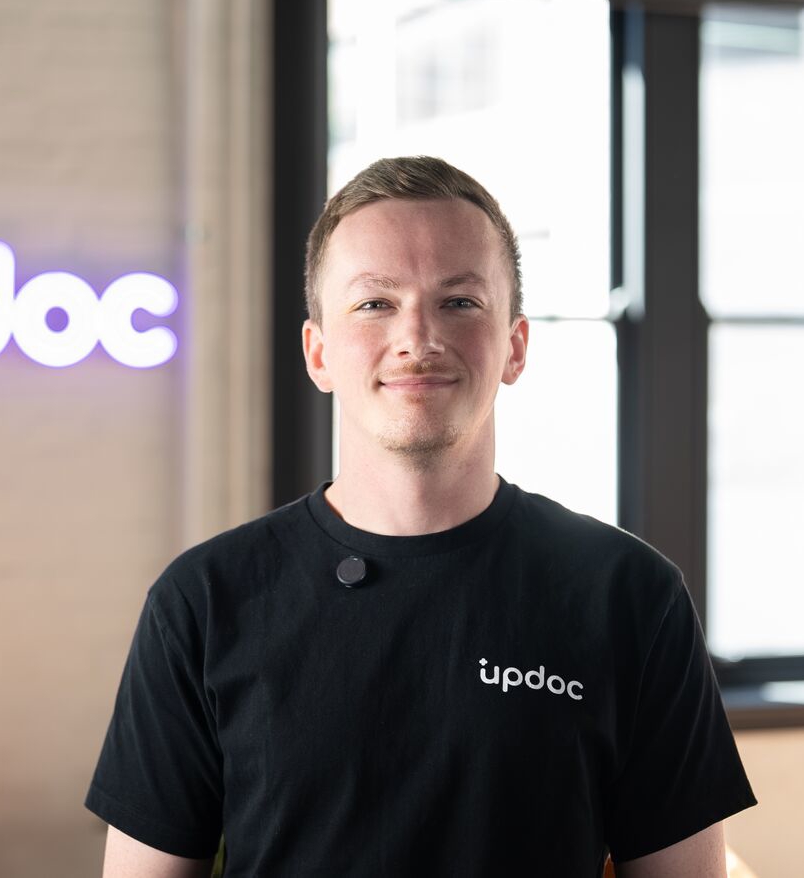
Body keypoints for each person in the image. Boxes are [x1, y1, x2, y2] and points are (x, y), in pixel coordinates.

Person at [85, 155, 757, 877]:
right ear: (318, 353)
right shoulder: (204, 601)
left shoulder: (629, 595)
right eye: (374, 303)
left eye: (459, 302)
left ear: (515, 346)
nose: (418, 338)